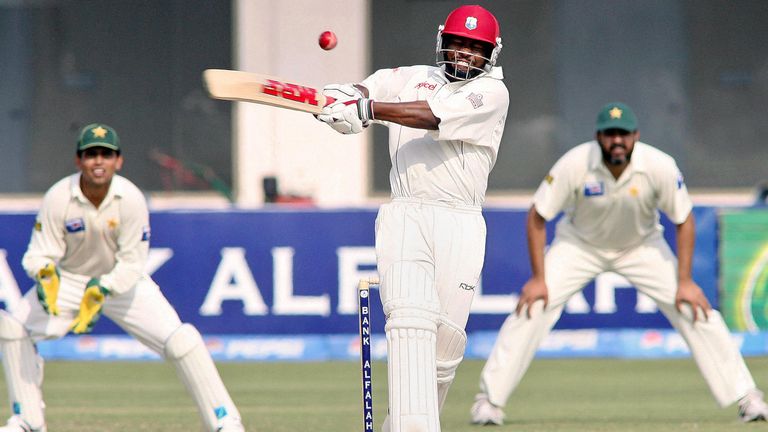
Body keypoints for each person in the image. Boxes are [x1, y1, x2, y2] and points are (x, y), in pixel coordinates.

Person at [470, 102, 768, 425]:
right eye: (610, 134)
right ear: (598, 136)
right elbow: (537, 215)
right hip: (580, 246)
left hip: (641, 247)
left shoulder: (659, 165)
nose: (617, 141)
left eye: (623, 134)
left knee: (695, 308)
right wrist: (538, 278)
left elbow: (684, 219)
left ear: (635, 136)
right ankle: (488, 401)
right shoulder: (574, 163)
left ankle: (748, 397)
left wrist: (685, 281)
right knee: (532, 305)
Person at [316, 4, 508, 432]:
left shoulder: (493, 93)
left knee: (443, 351)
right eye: (457, 43)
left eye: (474, 48)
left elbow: (433, 115)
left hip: (461, 221)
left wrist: (367, 109)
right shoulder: (404, 77)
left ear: (490, 54)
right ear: (443, 41)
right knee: (409, 320)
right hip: (406, 213)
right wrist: (337, 102)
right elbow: (360, 95)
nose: (463, 55)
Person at [0, 124, 244, 432]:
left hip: (122, 284)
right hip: (69, 280)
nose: (98, 161)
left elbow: (132, 262)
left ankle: (225, 420)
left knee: (182, 341)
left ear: (119, 161)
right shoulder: (58, 197)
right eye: (91, 155)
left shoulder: (129, 198)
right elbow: (38, 253)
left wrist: (103, 288)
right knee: (12, 329)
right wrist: (45, 273)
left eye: (106, 154)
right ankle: (27, 420)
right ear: (78, 161)